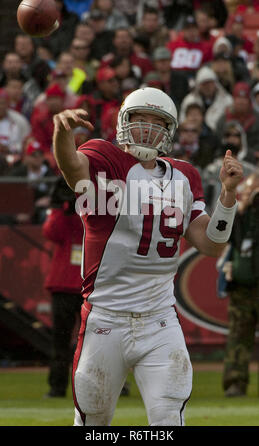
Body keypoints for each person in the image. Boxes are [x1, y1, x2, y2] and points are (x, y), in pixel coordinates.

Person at [53, 87, 243, 426]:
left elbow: (212, 244)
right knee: (93, 420)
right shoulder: (105, 157)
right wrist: (61, 136)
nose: (148, 128)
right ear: (124, 122)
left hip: (159, 319)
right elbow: (72, 168)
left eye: (158, 122)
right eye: (140, 119)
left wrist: (228, 196)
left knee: (168, 418)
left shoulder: (184, 175)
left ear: (169, 130)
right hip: (105, 318)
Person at [43, 176, 84, 397]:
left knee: (101, 341)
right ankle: (57, 387)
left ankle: (111, 384)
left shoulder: (92, 214)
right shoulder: (64, 215)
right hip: (66, 286)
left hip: (86, 285)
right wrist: (58, 208)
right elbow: (51, 232)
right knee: (60, 341)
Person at [221, 172, 259, 397]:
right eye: (251, 190)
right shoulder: (241, 219)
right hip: (242, 289)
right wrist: (241, 205)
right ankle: (235, 383)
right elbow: (224, 233)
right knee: (237, 338)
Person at [179, 66, 233, 132]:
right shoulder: (189, 100)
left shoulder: (227, 100)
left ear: (215, 84)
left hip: (220, 135)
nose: (208, 87)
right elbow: (183, 121)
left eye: (210, 83)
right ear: (198, 85)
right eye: (204, 84)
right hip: (194, 135)